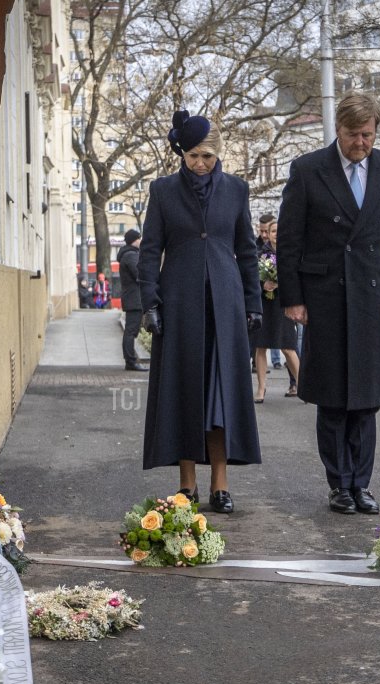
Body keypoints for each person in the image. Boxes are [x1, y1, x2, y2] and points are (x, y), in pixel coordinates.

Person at [277, 93, 380, 515]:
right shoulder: (307, 170)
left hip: (374, 296)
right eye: (354, 134)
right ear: (338, 129)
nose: (361, 142)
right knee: (334, 398)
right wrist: (293, 298)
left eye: (368, 134)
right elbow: (289, 240)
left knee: (367, 399)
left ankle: (362, 483)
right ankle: (339, 483)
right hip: (325, 298)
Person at [137, 111, 262, 514]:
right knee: (183, 393)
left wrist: (253, 303)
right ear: (182, 154)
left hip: (226, 309)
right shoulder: (163, 191)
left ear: (218, 153)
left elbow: (247, 251)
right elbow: (150, 250)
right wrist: (150, 303)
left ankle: (220, 485)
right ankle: (186, 485)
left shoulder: (237, 190)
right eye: (192, 155)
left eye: (207, 155)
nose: (200, 164)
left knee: (220, 398)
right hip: (179, 307)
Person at [251, 220, 301, 401]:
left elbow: (297, 276)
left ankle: (303, 385)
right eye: (273, 231)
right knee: (261, 345)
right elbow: (252, 275)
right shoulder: (260, 253)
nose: (275, 234)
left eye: (278, 231)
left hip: (283, 303)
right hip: (265, 304)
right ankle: (261, 388)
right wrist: (264, 283)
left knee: (288, 347)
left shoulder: (291, 252)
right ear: (268, 234)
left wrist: (281, 283)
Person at [118, 229, 147, 371]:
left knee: (131, 331)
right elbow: (140, 274)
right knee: (131, 331)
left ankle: (130, 361)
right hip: (134, 298)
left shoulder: (129, 254)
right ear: (134, 240)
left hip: (133, 298)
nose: (141, 241)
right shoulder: (131, 255)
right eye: (139, 238)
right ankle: (130, 362)